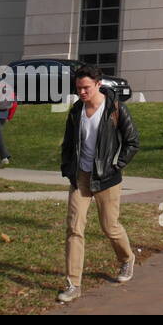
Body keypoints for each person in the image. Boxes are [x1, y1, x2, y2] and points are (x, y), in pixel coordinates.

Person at [57, 65, 140, 304]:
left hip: (107, 178)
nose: (82, 92)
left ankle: (126, 259)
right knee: (74, 229)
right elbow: (68, 143)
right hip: (81, 177)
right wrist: (67, 168)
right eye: (78, 88)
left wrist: (116, 164)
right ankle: (73, 284)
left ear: (98, 83)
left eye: (86, 87)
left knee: (109, 227)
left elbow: (132, 141)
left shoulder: (115, 109)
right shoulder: (76, 111)